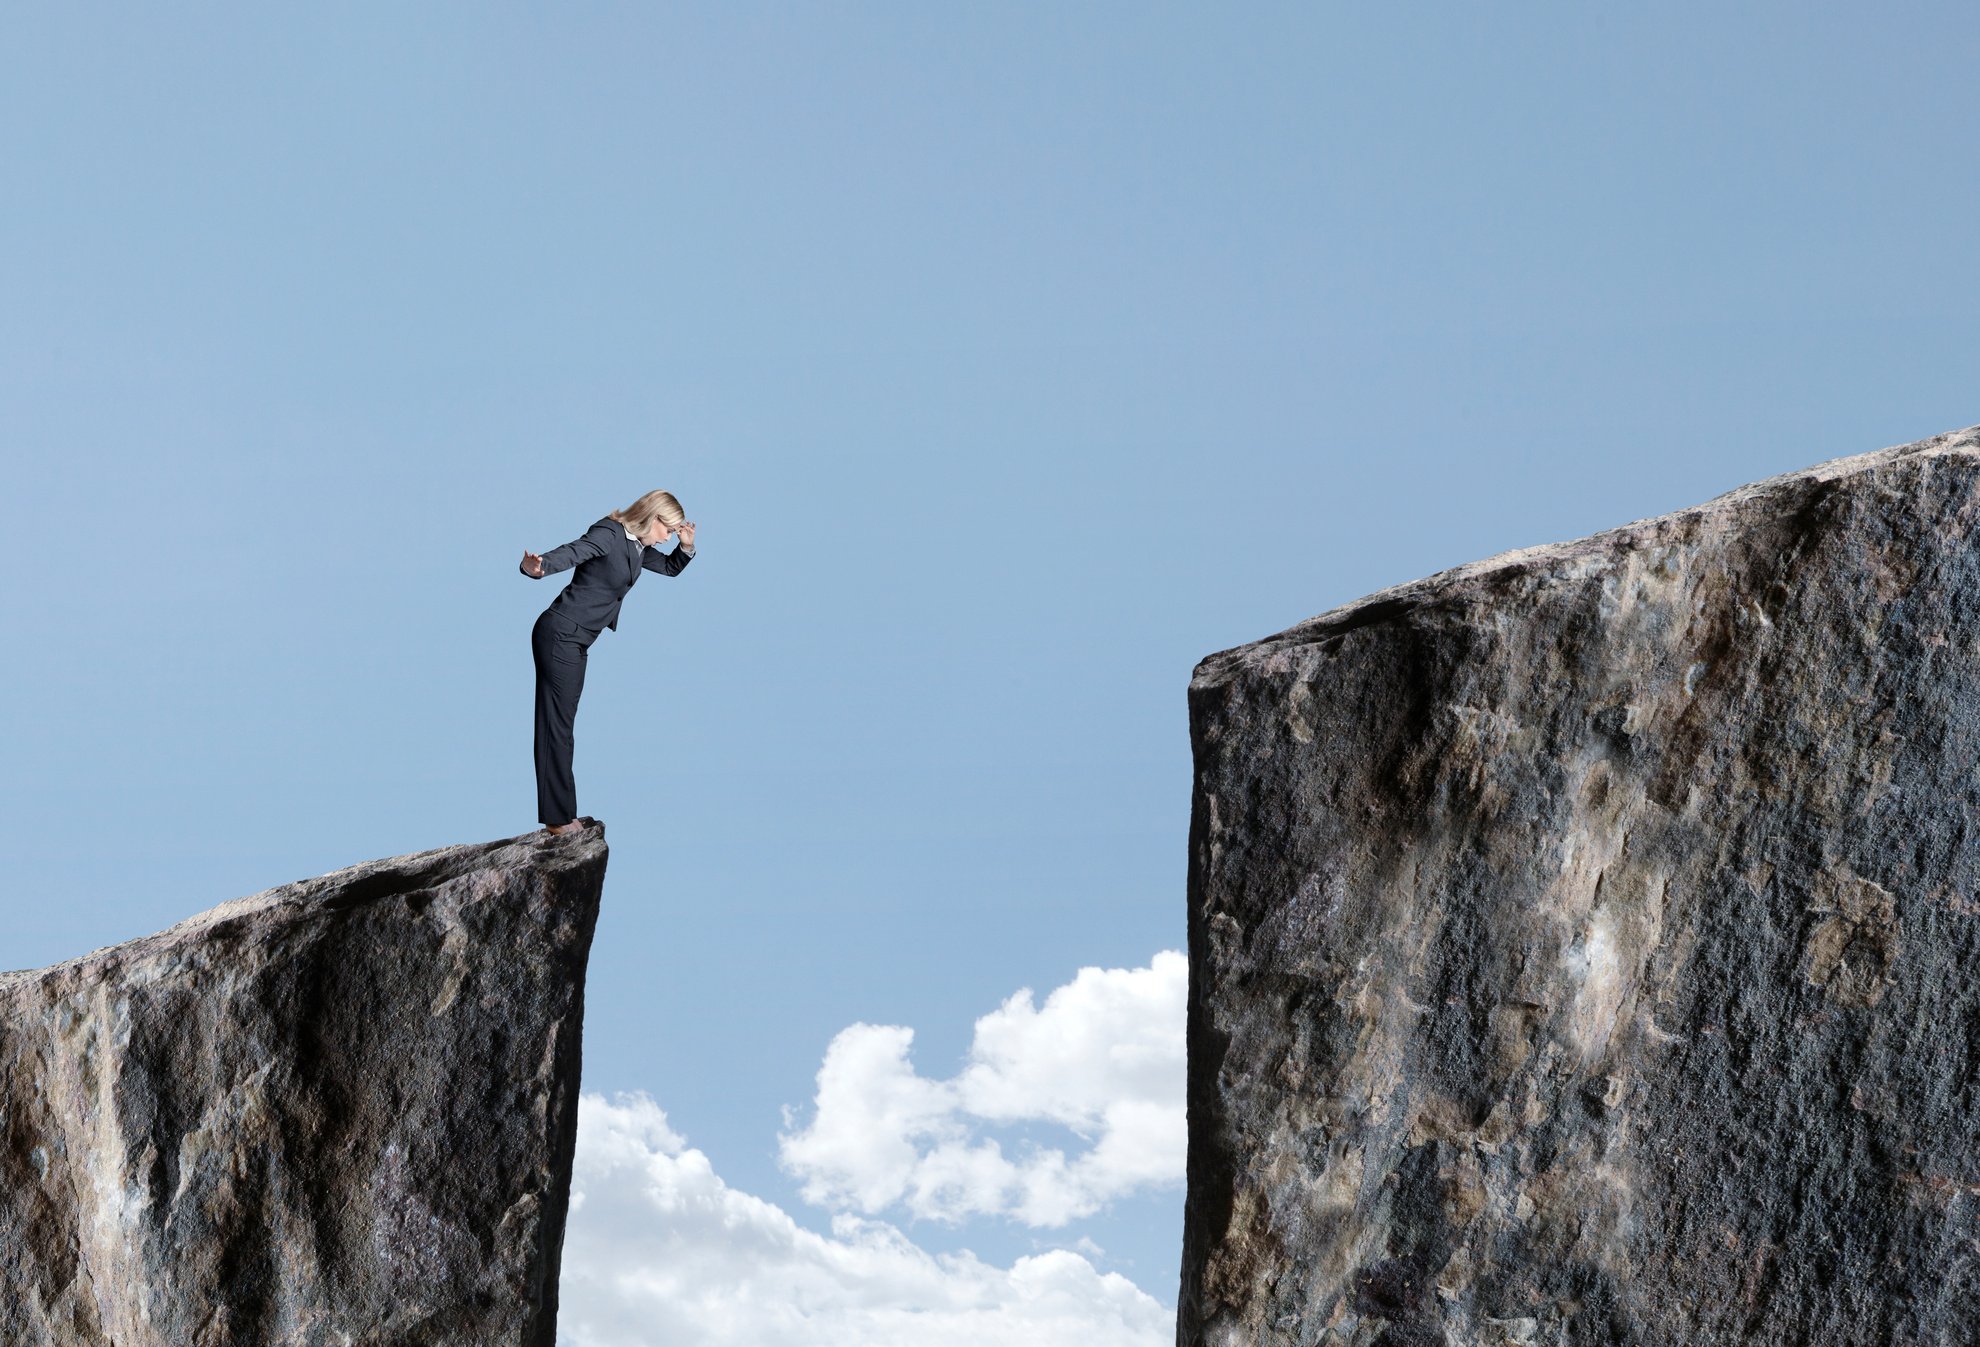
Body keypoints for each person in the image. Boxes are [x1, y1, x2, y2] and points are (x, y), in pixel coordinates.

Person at [521, 490, 697, 834]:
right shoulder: (610, 533)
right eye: (669, 530)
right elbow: (575, 551)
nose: (668, 537)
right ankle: (558, 820)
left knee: (561, 725)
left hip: (576, 638)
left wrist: (686, 546)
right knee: (557, 726)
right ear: (652, 517)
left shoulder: (638, 547)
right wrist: (539, 568)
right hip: (561, 634)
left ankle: (562, 814)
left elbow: (670, 568)